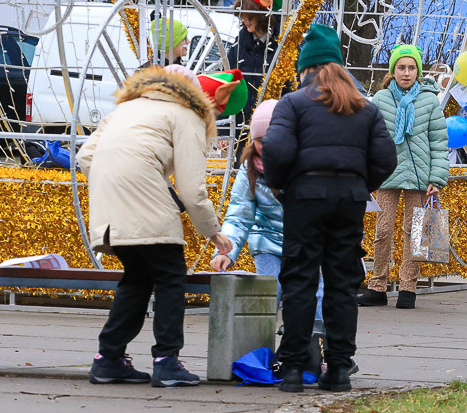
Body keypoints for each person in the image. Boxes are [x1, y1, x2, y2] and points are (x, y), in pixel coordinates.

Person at [261, 23, 396, 393]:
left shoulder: (293, 103)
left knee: (300, 280)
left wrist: (282, 185)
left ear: (307, 68)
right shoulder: (364, 108)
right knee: (342, 283)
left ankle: (292, 369)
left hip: (304, 197)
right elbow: (387, 158)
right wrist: (359, 184)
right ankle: (337, 369)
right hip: (349, 200)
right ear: (338, 66)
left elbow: (275, 151)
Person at [78, 65, 232, 387]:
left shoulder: (126, 108)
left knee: (137, 278)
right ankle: (167, 360)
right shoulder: (185, 114)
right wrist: (212, 230)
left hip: (109, 208)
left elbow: (86, 156)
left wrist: (119, 184)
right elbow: (192, 188)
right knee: (170, 276)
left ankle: (108, 359)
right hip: (146, 201)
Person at [209, 99, 325, 342]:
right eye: (261, 141)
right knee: (269, 291)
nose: (267, 146)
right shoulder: (249, 168)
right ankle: (258, 347)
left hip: (304, 243)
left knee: (316, 294)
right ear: (253, 141)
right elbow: (239, 214)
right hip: (267, 240)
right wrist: (226, 251)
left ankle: (317, 346)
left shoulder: (308, 163)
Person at [358, 43, 449, 310]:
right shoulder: (381, 99)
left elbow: (438, 142)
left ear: (418, 71)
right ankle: (378, 285)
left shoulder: (430, 101)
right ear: (393, 71)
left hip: (420, 176)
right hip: (387, 174)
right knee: (383, 230)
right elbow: (370, 139)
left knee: (415, 231)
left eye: (411, 68)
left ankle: (408, 287)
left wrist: (437, 177)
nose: (406, 73)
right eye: (401, 68)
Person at [229, 0, 284, 126]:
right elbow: (226, 87)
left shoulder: (284, 48)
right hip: (239, 128)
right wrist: (225, 128)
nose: (243, 20)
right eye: (242, 15)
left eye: (248, 15)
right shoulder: (238, 45)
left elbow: (291, 90)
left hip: (272, 128)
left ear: (261, 14)